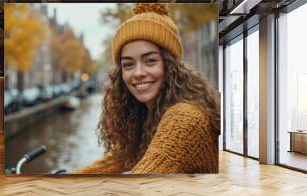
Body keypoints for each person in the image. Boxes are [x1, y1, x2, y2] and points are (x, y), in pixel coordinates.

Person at [73, 3, 220, 174]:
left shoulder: (185, 119)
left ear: (170, 65)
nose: (138, 73)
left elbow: (139, 187)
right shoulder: (144, 119)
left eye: (150, 61)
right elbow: (117, 161)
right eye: (128, 65)